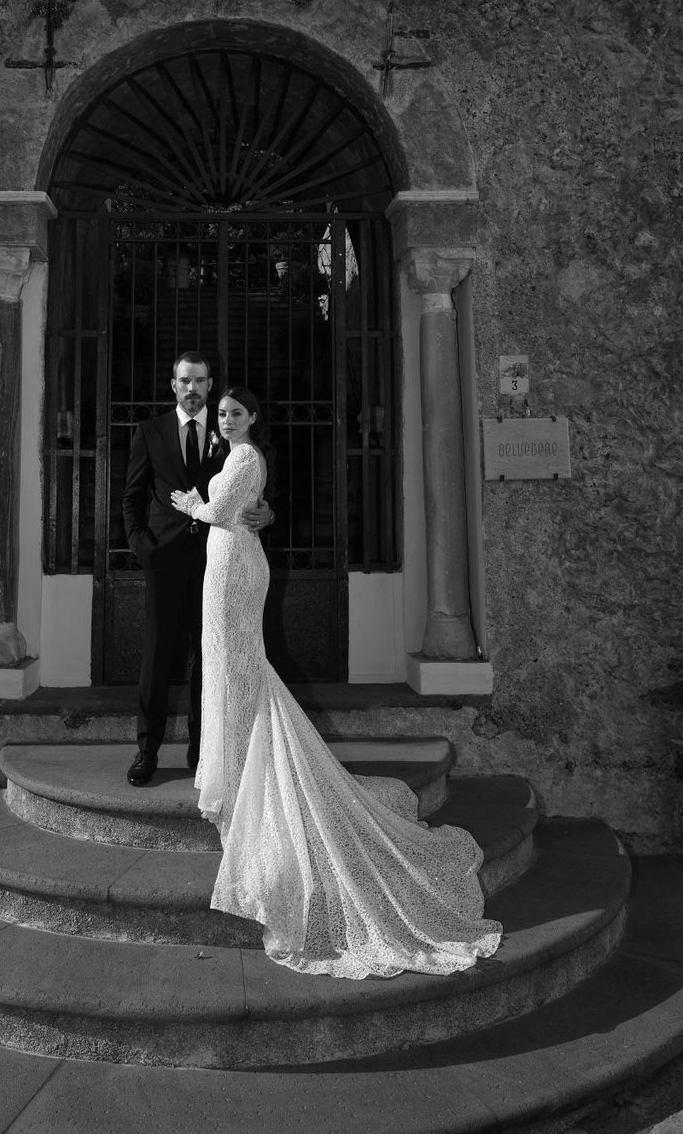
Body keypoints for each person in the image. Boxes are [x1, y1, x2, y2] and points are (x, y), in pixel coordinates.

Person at [172, 387, 503, 980]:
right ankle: (233, 758)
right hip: (226, 561)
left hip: (235, 564)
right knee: (229, 663)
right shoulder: (231, 457)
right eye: (221, 413)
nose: (225, 419)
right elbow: (234, 507)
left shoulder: (244, 457)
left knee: (242, 663)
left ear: (253, 418)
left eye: (235, 413)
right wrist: (205, 504)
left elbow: (221, 512)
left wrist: (191, 504)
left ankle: (249, 760)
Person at [122, 353, 272, 788]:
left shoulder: (231, 429)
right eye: (184, 380)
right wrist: (141, 546)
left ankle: (202, 750)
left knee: (211, 655)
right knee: (157, 654)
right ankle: (146, 751)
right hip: (164, 559)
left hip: (217, 560)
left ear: (210, 385)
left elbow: (257, 489)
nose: (192, 388)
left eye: (200, 381)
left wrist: (269, 513)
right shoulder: (149, 432)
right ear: (173, 385)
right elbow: (132, 495)